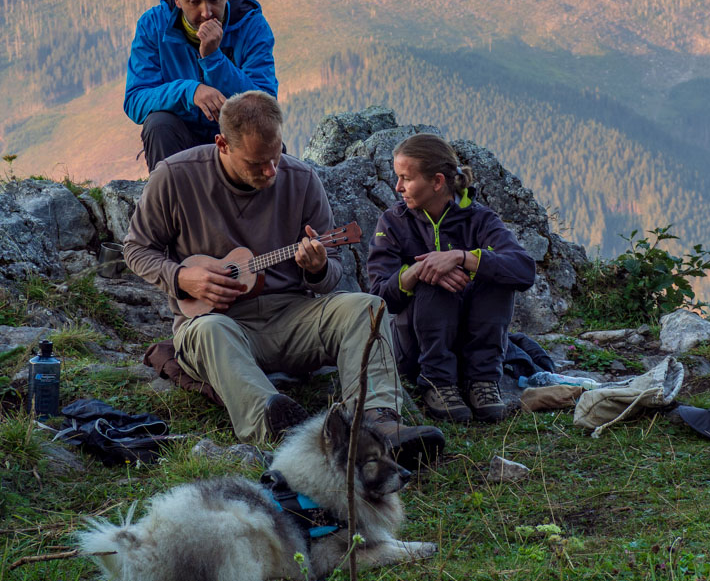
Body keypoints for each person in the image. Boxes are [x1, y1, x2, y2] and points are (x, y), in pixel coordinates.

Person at [123, 91, 444, 466]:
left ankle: (377, 425)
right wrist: (182, 277)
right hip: (216, 325)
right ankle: (281, 431)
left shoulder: (301, 178)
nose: (271, 171)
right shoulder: (175, 177)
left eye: (275, 157)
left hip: (291, 316)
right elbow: (136, 249)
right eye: (258, 163)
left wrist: (318, 267)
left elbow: (332, 273)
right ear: (222, 144)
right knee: (209, 331)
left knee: (367, 307)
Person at [367, 134, 537, 423]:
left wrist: (462, 257)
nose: (398, 188)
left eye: (406, 178)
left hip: (472, 346)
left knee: (496, 276)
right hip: (416, 351)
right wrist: (418, 271)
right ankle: (437, 383)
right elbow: (379, 297)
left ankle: (482, 382)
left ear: (436, 182)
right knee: (433, 281)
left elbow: (524, 269)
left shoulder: (480, 219)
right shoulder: (393, 222)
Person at [124, 0, 278, 171]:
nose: (206, 12)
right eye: (194, 1)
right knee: (158, 125)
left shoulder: (252, 26)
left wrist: (214, 59)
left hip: (234, 139)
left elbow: (265, 108)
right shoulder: (153, 26)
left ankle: (255, 202)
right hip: (179, 137)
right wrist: (190, 92)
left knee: (265, 141)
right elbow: (135, 100)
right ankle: (170, 201)